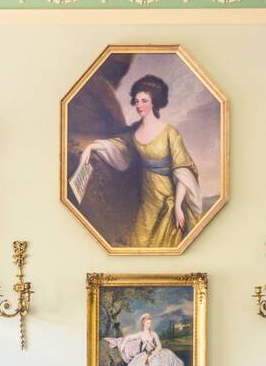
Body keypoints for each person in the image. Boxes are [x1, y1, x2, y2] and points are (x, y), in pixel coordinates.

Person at [78, 74, 202, 248]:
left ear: (154, 103)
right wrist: (91, 148)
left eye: (144, 101)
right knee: (139, 241)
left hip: (168, 198)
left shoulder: (169, 132)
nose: (139, 105)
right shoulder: (134, 133)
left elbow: (182, 170)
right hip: (147, 198)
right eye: (136, 101)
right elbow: (119, 147)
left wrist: (179, 206)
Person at [104, 314, 189, 366]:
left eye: (150, 323)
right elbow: (129, 337)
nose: (149, 325)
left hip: (155, 354)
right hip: (144, 355)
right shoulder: (141, 334)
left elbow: (159, 346)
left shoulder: (154, 334)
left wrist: (152, 355)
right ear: (143, 323)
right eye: (147, 323)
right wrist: (122, 344)